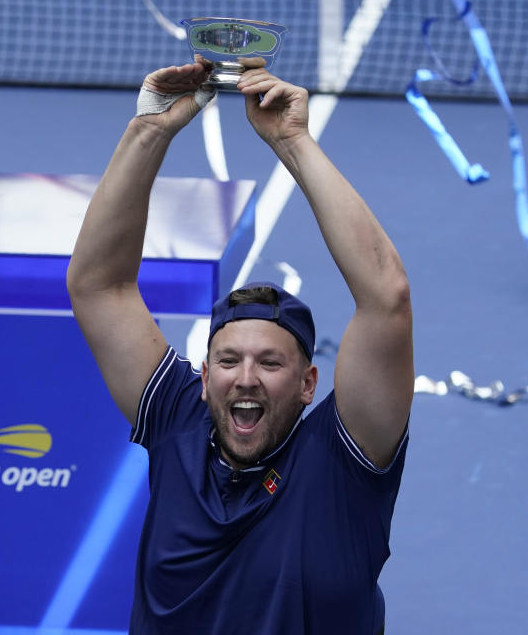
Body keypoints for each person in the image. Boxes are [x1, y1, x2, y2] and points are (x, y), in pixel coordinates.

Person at [66, 58, 414, 634]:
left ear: (309, 384)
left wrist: (293, 140)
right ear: (204, 378)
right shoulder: (179, 421)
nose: (245, 377)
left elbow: (387, 297)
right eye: (228, 360)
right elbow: (97, 286)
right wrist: (149, 131)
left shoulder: (343, 464)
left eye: (271, 362)